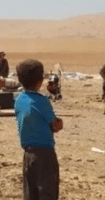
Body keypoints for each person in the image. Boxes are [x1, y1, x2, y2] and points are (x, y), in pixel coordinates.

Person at [14, 59, 63, 200]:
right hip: (45, 153)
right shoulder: (42, 101)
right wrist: (59, 123)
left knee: (30, 193)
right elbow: (55, 125)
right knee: (47, 192)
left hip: (28, 153)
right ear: (40, 81)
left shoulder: (19, 100)